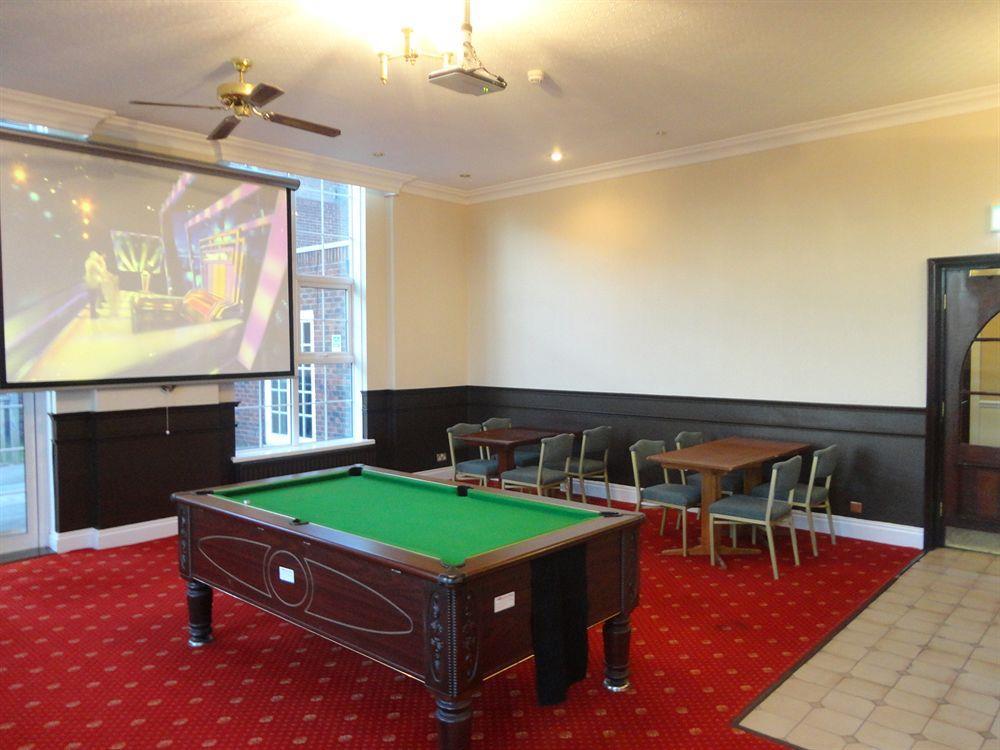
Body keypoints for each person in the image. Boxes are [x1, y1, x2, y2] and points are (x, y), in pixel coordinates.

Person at [84, 250, 108, 318]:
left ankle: (93, 313)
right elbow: (101, 271)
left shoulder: (87, 261)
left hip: (89, 282)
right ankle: (93, 314)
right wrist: (103, 265)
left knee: (92, 298)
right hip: (94, 282)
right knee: (94, 298)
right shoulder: (94, 263)